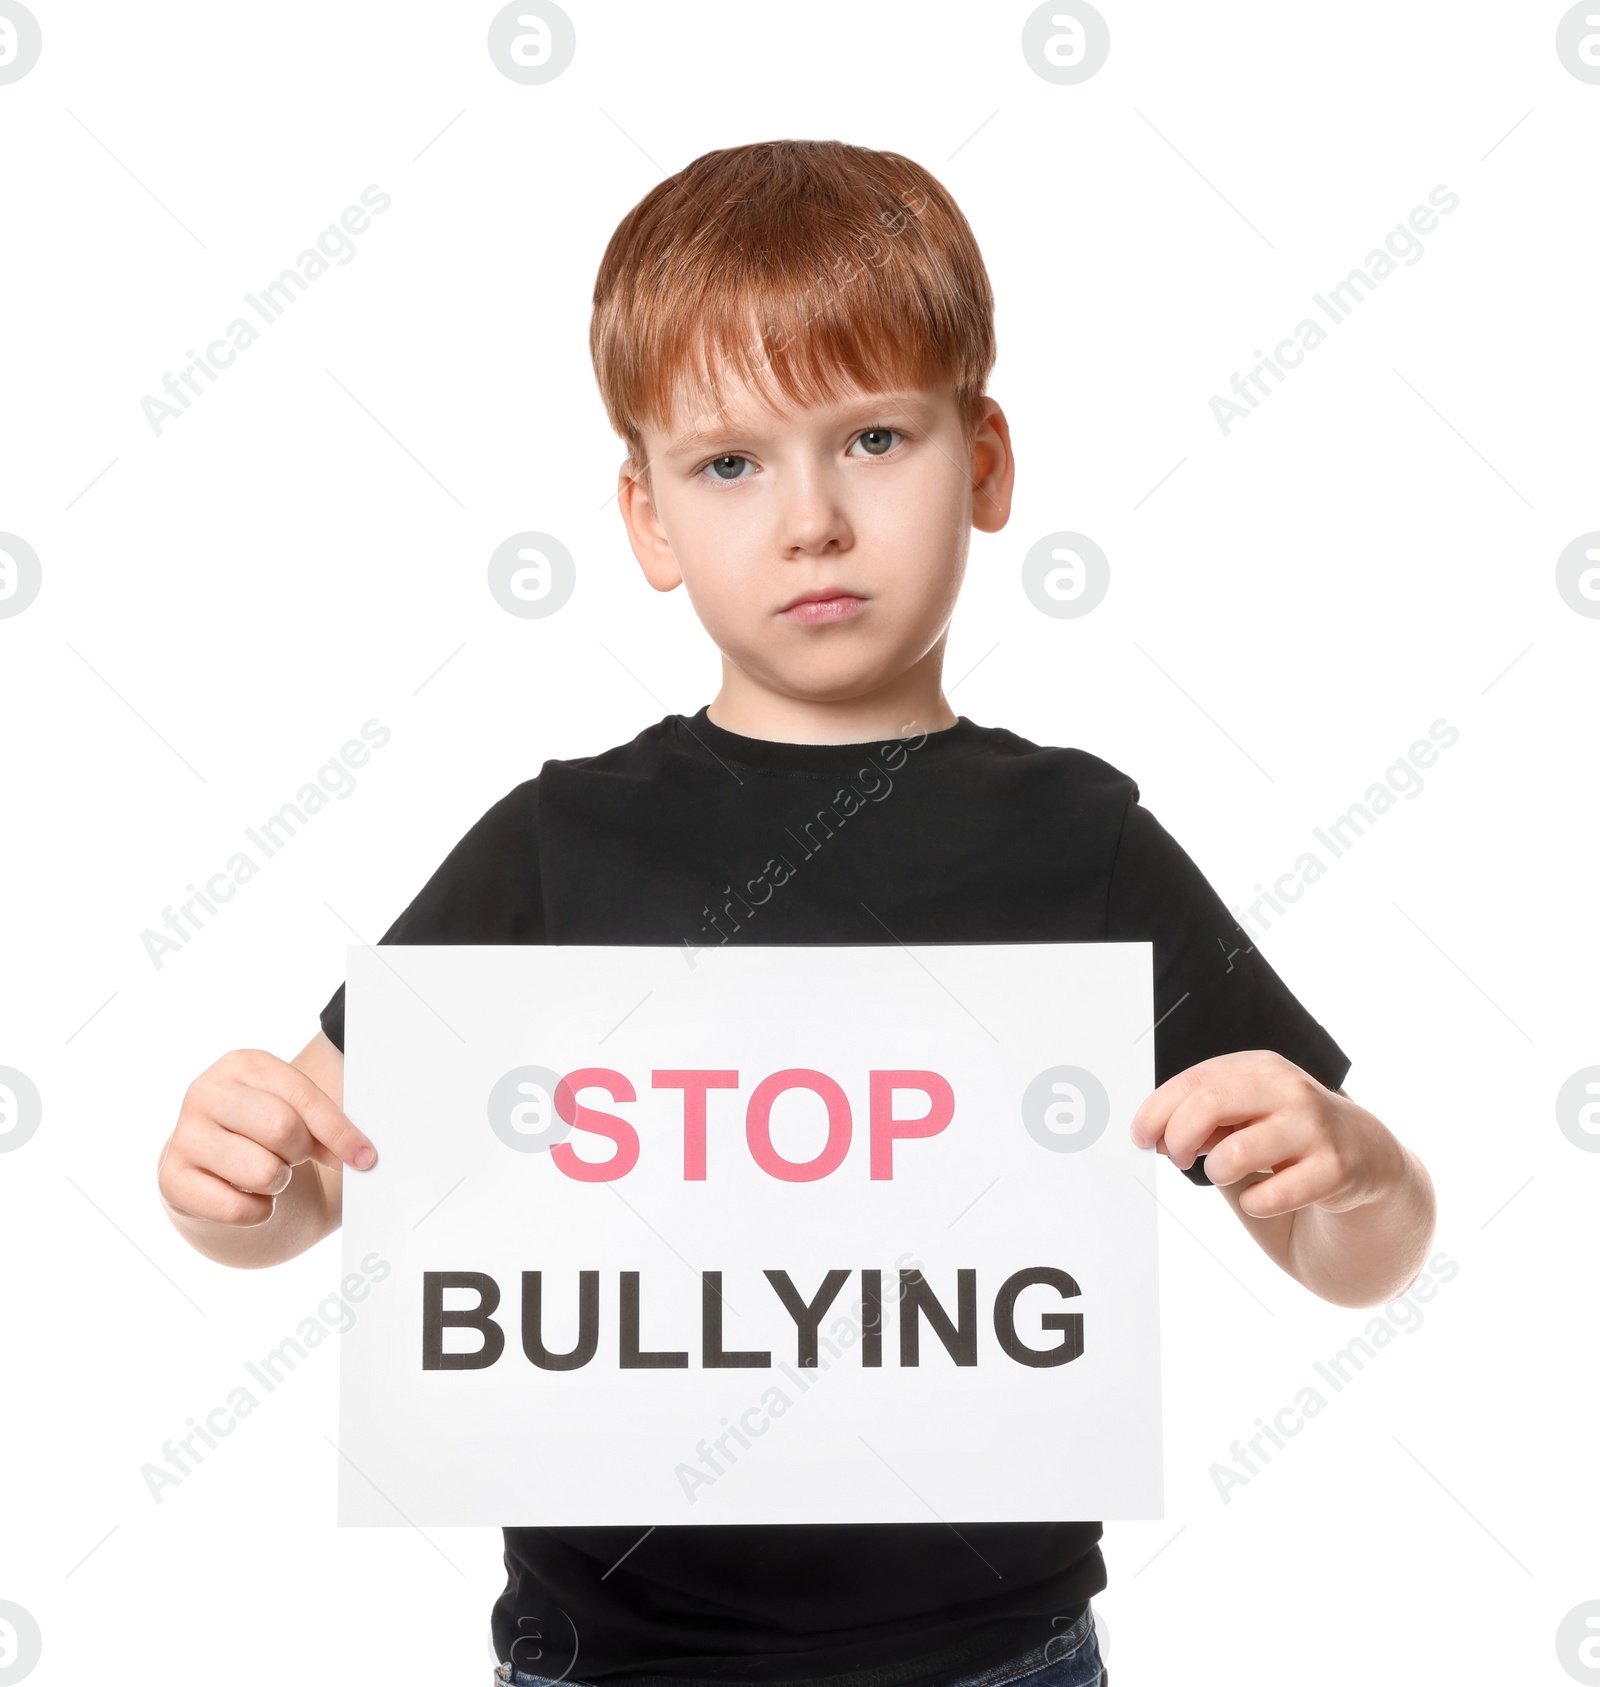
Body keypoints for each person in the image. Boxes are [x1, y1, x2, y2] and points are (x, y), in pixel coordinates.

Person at [156, 139, 1437, 1687]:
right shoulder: (554, 845)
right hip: (606, 1662)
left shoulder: (1082, 843)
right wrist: (232, 1178)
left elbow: (1348, 1252)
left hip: (995, 1659)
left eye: (876, 438)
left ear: (986, 461)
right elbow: (315, 1175)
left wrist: (1353, 1172)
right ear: (645, 519)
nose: (813, 518)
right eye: (730, 464)